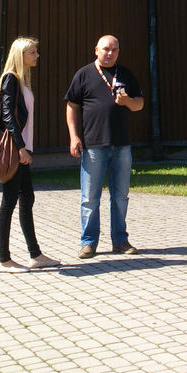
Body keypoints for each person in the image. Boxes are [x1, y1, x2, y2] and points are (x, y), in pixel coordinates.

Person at [65, 34, 144, 258]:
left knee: (120, 196)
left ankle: (120, 240)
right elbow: (72, 106)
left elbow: (139, 104)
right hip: (93, 145)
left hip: (121, 145)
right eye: (106, 49)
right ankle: (89, 242)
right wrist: (74, 136)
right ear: (96, 50)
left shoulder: (125, 74)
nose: (110, 53)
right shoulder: (84, 74)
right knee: (90, 198)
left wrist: (127, 101)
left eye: (114, 50)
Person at [0, 36, 60, 271]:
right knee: (9, 202)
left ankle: (35, 255)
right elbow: (7, 115)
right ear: (20, 55)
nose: (37, 56)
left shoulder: (21, 80)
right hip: (16, 150)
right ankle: (4, 259)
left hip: (21, 149)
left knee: (27, 199)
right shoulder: (11, 79)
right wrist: (20, 147)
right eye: (32, 52)